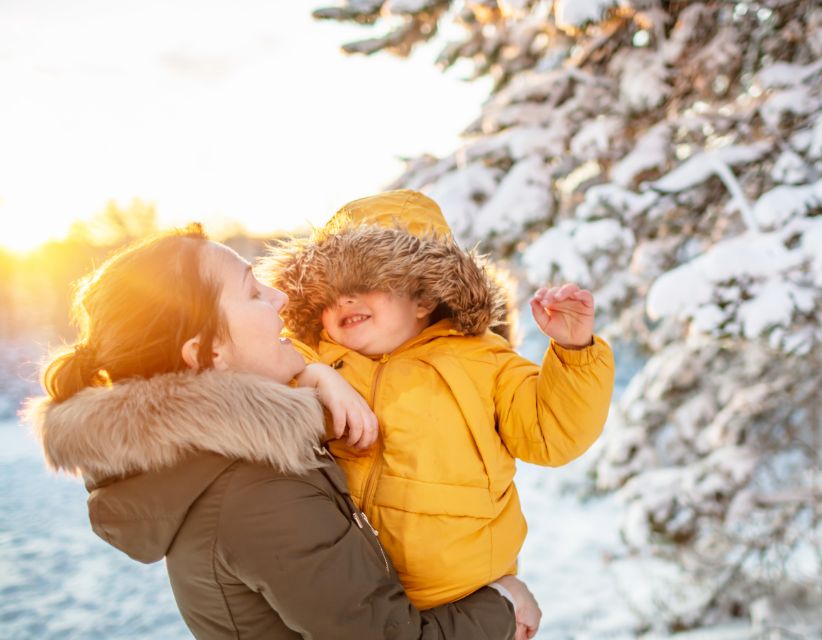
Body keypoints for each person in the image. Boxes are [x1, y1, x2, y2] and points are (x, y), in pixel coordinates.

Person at [21, 224, 537, 639]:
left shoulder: (213, 455)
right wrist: (503, 606)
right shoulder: (258, 492)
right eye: (252, 292)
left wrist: (314, 378)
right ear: (207, 353)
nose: (280, 299)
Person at [256, 190, 616, 632]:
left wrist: (575, 351)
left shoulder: (483, 361)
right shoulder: (308, 360)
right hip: (351, 590)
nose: (344, 302)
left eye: (365, 283)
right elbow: (257, 390)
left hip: (459, 591)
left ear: (424, 298)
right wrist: (316, 375)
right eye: (330, 295)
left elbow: (552, 433)